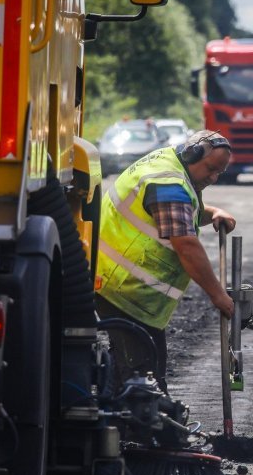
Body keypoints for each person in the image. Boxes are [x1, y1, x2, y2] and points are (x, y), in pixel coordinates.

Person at [95, 130, 237, 392]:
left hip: (129, 292)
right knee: (142, 381)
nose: (214, 178)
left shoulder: (170, 164)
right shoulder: (167, 182)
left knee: (139, 370)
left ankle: (124, 421)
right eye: (211, 169)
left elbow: (182, 213)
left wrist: (214, 212)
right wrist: (218, 295)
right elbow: (186, 245)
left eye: (220, 173)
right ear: (194, 154)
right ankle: (136, 429)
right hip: (124, 291)